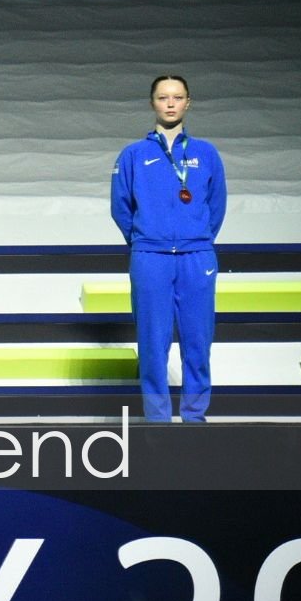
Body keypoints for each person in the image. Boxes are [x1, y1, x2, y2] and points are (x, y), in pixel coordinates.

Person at [110, 75, 227, 423]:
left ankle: (194, 419)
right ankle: (157, 422)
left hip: (197, 258)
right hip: (150, 258)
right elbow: (120, 207)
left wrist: (197, 238)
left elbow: (216, 205)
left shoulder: (206, 153)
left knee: (198, 343)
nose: (170, 103)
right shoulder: (133, 155)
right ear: (153, 103)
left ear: (188, 102)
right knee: (152, 345)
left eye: (177, 97)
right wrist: (146, 240)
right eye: (163, 97)